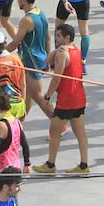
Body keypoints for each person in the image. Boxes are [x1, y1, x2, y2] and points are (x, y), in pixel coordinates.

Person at [33, 24, 89, 175]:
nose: (56, 39)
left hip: (67, 99)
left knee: (54, 131)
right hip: (79, 97)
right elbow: (47, 60)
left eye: (58, 36)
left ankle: (51, 164)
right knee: (80, 133)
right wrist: (57, 49)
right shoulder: (75, 49)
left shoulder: (63, 55)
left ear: (67, 37)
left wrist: (47, 96)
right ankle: (84, 165)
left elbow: (56, 79)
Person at [6, 0, 53, 117]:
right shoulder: (40, 13)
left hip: (32, 61)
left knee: (38, 96)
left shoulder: (26, 20)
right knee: (29, 92)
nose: (17, 1)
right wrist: (48, 58)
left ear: (24, 0)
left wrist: (1, 52)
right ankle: (22, 117)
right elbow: (48, 38)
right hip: (41, 58)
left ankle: (59, 124)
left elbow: (15, 43)